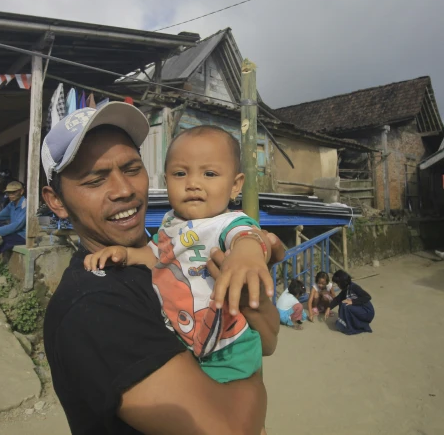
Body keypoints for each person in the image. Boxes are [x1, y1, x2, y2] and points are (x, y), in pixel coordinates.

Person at [40, 102, 283, 434]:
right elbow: (232, 429)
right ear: (56, 201)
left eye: (131, 168)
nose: (124, 190)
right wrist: (253, 381)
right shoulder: (92, 306)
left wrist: (251, 258)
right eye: (95, 180)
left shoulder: (172, 248)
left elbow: (268, 341)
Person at [84, 125, 276, 392]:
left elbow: (247, 237)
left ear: (235, 185)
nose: (193, 183)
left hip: (228, 347)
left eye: (209, 173)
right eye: (180, 173)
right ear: (165, 180)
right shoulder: (170, 223)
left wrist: (248, 253)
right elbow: (157, 256)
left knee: (224, 411)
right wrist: (127, 254)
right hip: (187, 341)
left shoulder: (225, 222)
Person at [325, 270, 374, 334]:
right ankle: (347, 324)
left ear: (342, 282)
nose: (338, 285)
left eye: (338, 283)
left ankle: (352, 327)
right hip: (360, 309)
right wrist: (329, 307)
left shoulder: (354, 287)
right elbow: (337, 299)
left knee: (346, 306)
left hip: (367, 312)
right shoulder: (346, 289)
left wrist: (353, 302)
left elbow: (367, 297)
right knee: (343, 303)